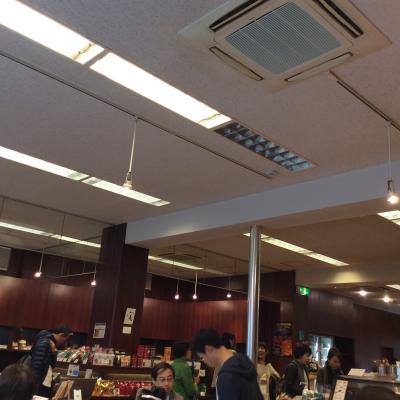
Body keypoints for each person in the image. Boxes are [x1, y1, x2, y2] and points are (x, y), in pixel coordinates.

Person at [192, 328, 263, 400]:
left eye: (202, 357)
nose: (204, 361)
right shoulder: (244, 360)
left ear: (208, 349)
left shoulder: (226, 376)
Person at [30, 325, 73, 398]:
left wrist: (54, 352)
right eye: (66, 339)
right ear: (61, 335)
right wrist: (34, 388)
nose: (65, 342)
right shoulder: (44, 342)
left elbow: (51, 365)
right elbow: (36, 366)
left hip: (44, 382)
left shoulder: (52, 344)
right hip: (40, 384)